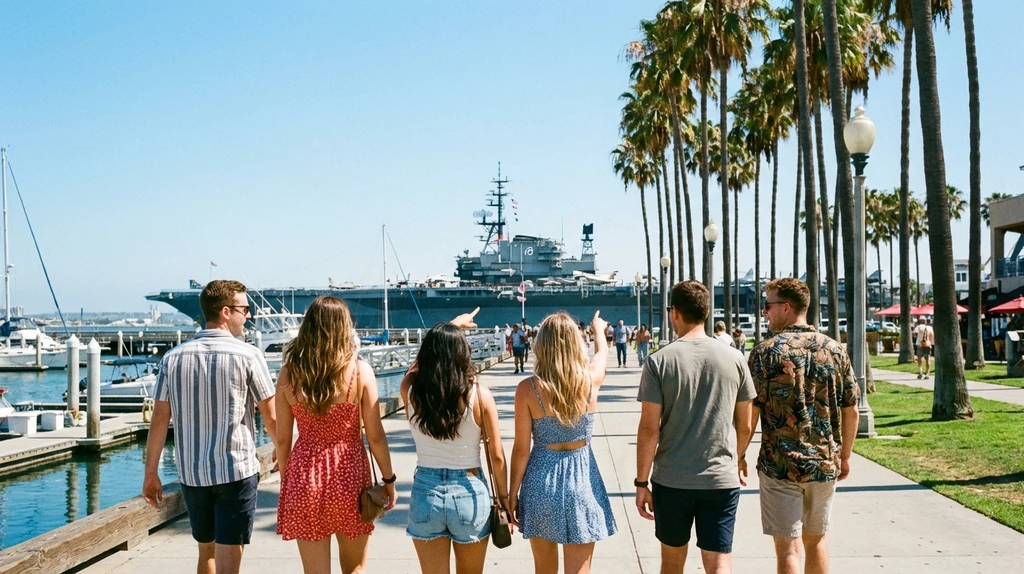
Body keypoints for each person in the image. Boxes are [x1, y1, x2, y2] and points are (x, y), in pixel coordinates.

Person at [143, 280, 278, 574]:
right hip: (235, 471)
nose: (249, 316)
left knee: (206, 551)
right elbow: (271, 417)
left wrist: (151, 472)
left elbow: (159, 420)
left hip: (192, 473)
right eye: (245, 309)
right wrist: (284, 452)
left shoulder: (173, 358)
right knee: (231, 554)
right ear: (226, 312)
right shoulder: (249, 355)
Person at [635, 281, 755, 574]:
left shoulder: (659, 361)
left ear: (674, 312)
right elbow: (747, 423)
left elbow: (649, 429)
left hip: (672, 481)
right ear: (705, 312)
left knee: (672, 563)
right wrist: (736, 457)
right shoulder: (735, 358)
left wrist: (641, 483)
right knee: (719, 563)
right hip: (720, 480)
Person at [275, 296, 397, 574]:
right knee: (354, 568)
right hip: (349, 474)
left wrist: (288, 482)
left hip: (304, 476)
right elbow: (375, 435)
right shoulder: (360, 371)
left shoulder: (288, 374)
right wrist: (389, 480)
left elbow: (283, 439)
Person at [747, 278, 860, 574]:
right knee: (816, 541)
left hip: (779, 464)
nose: (764, 312)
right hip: (824, 462)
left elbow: (750, 411)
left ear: (786, 308)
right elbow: (852, 409)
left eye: (768, 306)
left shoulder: (764, 353)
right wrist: (845, 455)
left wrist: (739, 453)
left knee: (788, 550)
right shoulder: (835, 350)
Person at [401, 308, 511, 574]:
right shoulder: (480, 396)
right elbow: (496, 454)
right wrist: (506, 500)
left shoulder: (412, 392)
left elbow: (414, 369)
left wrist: (449, 328)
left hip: (426, 492)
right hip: (470, 492)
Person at [509, 311, 617, 574]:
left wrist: (511, 495)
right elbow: (601, 356)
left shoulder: (528, 388)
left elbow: (521, 450)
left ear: (541, 346)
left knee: (543, 570)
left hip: (540, 484)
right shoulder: (590, 380)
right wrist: (599, 331)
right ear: (576, 343)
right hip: (582, 481)